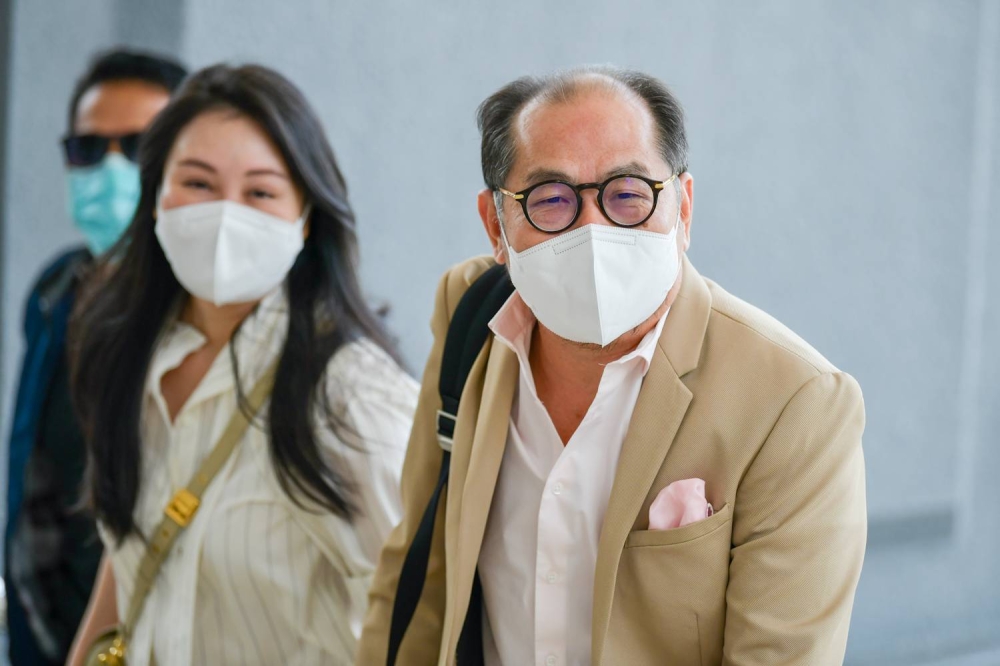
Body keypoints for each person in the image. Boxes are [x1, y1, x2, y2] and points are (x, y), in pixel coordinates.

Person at [357, 66, 867, 666]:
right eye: (551, 199)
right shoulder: (468, 313)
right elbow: (418, 572)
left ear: (683, 209)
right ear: (496, 225)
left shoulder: (795, 401)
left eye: (627, 193)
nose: (594, 230)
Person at [65, 64, 417, 666]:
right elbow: (128, 557)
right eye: (198, 184)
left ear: (306, 217)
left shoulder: (353, 397)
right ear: (156, 199)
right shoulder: (129, 354)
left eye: (260, 192)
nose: (227, 216)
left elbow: (421, 622)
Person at [3, 48, 186, 666]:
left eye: (137, 148)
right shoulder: (55, 290)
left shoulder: (204, 310)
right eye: (88, 149)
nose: (110, 170)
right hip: (44, 628)